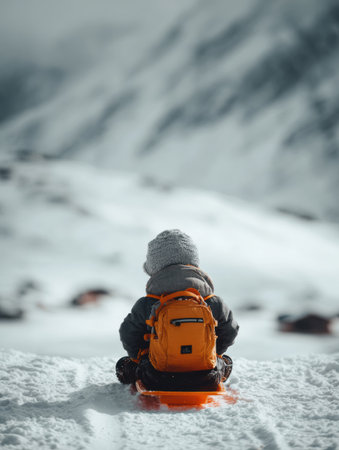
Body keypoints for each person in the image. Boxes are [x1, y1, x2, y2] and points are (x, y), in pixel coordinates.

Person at [116, 229, 239, 391]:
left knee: (124, 365)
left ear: (154, 267)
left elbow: (128, 334)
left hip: (156, 377)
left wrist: (141, 357)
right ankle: (216, 366)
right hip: (206, 377)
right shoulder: (212, 302)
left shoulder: (147, 303)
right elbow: (230, 330)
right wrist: (213, 353)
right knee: (226, 361)